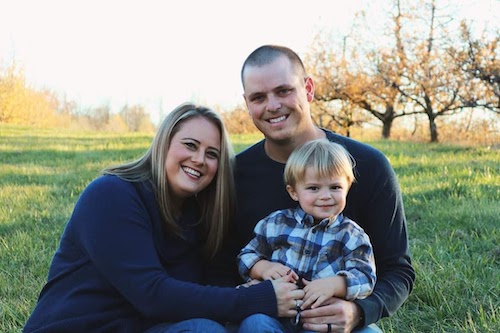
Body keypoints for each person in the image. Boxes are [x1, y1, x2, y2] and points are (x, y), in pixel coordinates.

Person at [23, 103, 304, 333]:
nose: (199, 159)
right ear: (164, 143)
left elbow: (195, 293)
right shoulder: (112, 194)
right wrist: (258, 298)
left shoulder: (194, 216)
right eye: (190, 145)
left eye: (212, 154)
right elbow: (152, 295)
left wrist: (256, 283)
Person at [207, 45, 415, 333]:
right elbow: (219, 266)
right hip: (263, 317)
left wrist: (357, 312)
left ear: (308, 89)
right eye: (258, 97)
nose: (272, 106)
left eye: (283, 91)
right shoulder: (232, 176)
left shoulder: (368, 165)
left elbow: (397, 269)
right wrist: (251, 293)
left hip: (336, 321)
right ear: (247, 104)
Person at [237, 139, 377, 332]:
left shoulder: (352, 235)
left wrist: (335, 285)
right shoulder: (276, 223)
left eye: (335, 187)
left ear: (347, 186)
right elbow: (247, 255)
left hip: (320, 320)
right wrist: (263, 268)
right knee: (254, 324)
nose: (325, 196)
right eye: (313, 188)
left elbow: (366, 276)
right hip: (275, 314)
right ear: (294, 192)